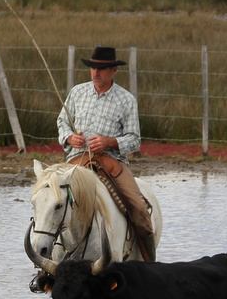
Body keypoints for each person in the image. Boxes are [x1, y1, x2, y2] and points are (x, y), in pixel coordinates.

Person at [57, 46, 155, 262]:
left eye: (101, 69)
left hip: (112, 162)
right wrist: (69, 138)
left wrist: (108, 142)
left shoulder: (126, 100)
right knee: (51, 199)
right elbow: (62, 122)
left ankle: (150, 266)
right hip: (77, 159)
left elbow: (134, 139)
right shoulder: (77, 93)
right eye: (93, 68)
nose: (95, 73)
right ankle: (49, 266)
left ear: (113, 71)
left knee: (139, 208)